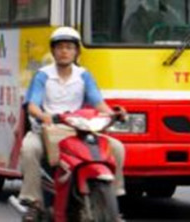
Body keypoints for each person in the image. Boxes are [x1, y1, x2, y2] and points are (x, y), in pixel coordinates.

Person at [18, 27, 126, 216]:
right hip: (48, 129)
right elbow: (32, 105)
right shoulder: (43, 75)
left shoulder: (83, 75)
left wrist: (112, 114)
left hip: (78, 128)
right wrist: (44, 116)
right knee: (29, 148)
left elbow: (97, 102)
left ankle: (112, 194)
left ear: (76, 51)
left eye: (69, 47)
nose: (64, 51)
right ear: (53, 51)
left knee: (116, 147)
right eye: (60, 47)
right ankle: (32, 200)